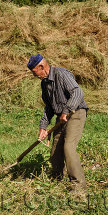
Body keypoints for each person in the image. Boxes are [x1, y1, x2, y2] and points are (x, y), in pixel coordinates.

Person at [27, 54, 89, 193]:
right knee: (55, 152)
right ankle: (57, 180)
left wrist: (66, 111)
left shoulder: (61, 74)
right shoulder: (44, 84)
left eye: (34, 72)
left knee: (68, 147)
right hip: (61, 118)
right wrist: (43, 127)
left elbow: (78, 93)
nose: (34, 76)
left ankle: (79, 187)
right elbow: (48, 107)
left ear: (41, 67)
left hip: (76, 113)